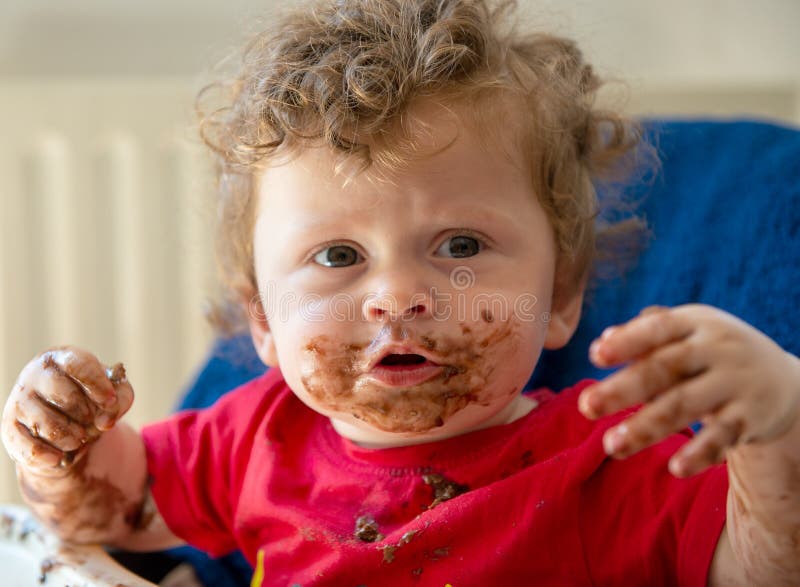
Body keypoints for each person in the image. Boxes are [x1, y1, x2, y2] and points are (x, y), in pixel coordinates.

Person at [3, 0, 800, 585]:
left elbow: (762, 562)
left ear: (560, 296)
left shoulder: (598, 464)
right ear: (263, 322)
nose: (397, 295)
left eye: (460, 245)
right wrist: (62, 443)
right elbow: (114, 515)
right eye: (339, 254)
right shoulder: (255, 438)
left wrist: (777, 423)